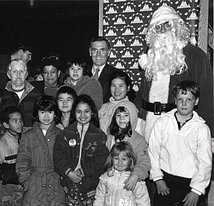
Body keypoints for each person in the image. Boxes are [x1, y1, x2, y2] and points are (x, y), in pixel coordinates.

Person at [134, 5, 213, 141]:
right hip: (148, 126)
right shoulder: (150, 57)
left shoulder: (195, 55)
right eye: (158, 27)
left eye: (167, 25)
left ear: (176, 27)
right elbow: (142, 94)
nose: (163, 30)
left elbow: (206, 97)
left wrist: (207, 134)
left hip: (180, 127)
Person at [148, 80, 212, 206]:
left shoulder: (202, 129)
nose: (184, 103)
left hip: (189, 183)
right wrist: (158, 178)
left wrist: (196, 190)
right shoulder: (162, 122)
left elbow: (205, 163)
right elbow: (153, 151)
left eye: (188, 99)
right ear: (175, 100)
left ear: (196, 101)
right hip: (165, 180)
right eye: (180, 99)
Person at [54, 94, 109, 205]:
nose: (82, 115)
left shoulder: (99, 135)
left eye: (86, 111)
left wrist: (83, 172)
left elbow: (101, 160)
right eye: (79, 111)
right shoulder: (65, 134)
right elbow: (58, 157)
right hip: (68, 183)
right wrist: (69, 172)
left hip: (90, 185)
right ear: (74, 112)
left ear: (92, 112)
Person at [16, 95, 65, 205]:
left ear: (55, 113)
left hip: (55, 183)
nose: (46, 116)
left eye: (50, 112)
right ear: (37, 114)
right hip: (34, 185)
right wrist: (26, 182)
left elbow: (64, 161)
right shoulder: (28, 136)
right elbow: (22, 161)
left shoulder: (60, 134)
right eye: (42, 112)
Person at [106, 100, 150, 191]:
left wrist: (135, 176)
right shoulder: (109, 138)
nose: (122, 119)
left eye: (126, 115)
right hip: (110, 182)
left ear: (132, 117)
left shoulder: (139, 140)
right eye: (118, 115)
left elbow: (144, 161)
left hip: (130, 183)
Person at [94, 141, 150, 206]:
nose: (120, 162)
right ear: (112, 159)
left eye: (124, 159)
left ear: (130, 161)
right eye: (116, 158)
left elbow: (143, 201)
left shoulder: (134, 180)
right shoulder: (105, 178)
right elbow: (99, 198)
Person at [0, 106, 24, 206]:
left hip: (24, 187)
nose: (19, 124)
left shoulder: (25, 139)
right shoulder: (2, 145)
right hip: (9, 190)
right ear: (6, 124)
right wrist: (8, 176)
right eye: (15, 121)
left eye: (20, 120)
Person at [0, 59, 42, 128]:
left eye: (21, 71)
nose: (18, 75)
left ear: (26, 74)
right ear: (9, 74)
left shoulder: (37, 94)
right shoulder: (0, 95)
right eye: (14, 71)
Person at [88, 36, 122, 103]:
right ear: (90, 52)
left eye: (102, 50)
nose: (98, 54)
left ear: (109, 52)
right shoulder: (81, 72)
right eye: (94, 50)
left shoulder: (117, 74)